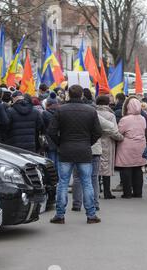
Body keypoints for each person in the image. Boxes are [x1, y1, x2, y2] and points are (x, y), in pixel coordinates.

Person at [47, 85, 102, 224]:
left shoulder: (61, 110)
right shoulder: (91, 111)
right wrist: (88, 142)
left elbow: (51, 131)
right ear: (82, 94)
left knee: (63, 183)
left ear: (68, 95)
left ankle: (60, 215)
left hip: (65, 150)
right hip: (84, 150)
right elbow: (98, 132)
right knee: (87, 183)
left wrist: (60, 143)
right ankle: (91, 215)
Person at [116, 97, 147, 198]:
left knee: (126, 169)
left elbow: (119, 132)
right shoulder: (143, 118)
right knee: (138, 168)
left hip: (127, 146)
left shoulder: (125, 119)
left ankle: (127, 193)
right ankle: (138, 192)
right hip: (141, 145)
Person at [96, 95, 123, 199]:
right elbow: (114, 131)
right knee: (106, 168)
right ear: (107, 103)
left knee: (96, 167)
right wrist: (121, 138)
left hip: (95, 141)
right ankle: (107, 192)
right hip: (107, 142)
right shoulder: (110, 115)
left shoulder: (93, 112)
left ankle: (96, 191)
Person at [42, 94, 61, 170]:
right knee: (58, 162)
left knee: (51, 161)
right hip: (59, 139)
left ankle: (54, 179)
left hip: (49, 140)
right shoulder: (60, 113)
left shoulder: (44, 114)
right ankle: (59, 179)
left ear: (48, 105)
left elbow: (42, 126)